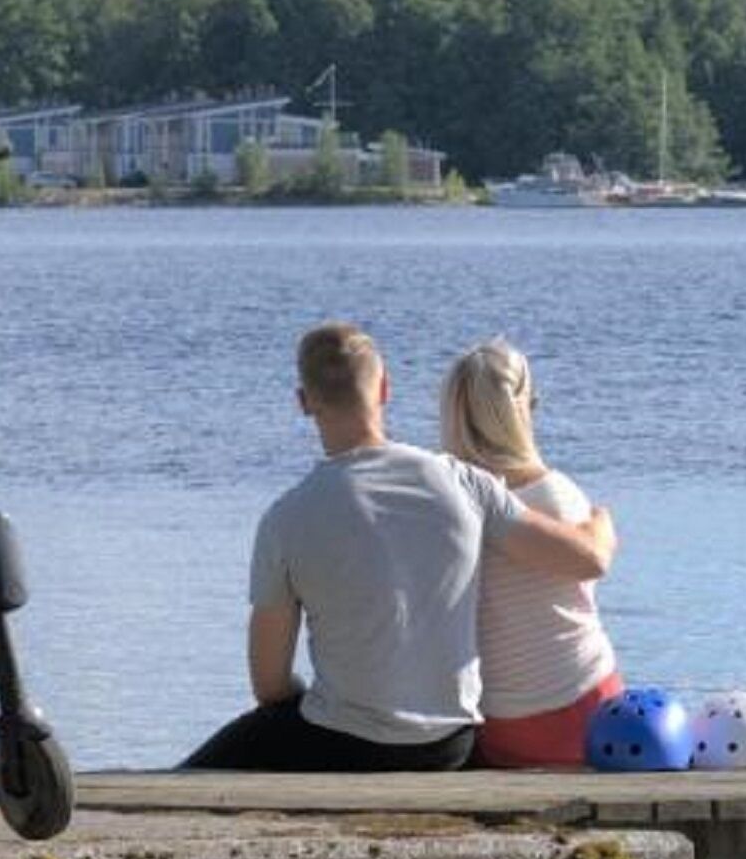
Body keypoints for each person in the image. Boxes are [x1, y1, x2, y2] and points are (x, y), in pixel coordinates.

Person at [183, 321, 615, 772]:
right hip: (450, 745)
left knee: (195, 776)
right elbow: (583, 558)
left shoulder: (285, 518)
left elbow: (269, 685)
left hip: (343, 743)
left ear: (304, 402)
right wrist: (601, 521)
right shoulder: (465, 483)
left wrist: (311, 705)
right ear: (385, 388)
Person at [442, 338, 624, 769]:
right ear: (518, 410)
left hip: (496, 726)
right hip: (585, 712)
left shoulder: (446, 501)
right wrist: (602, 521)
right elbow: (593, 561)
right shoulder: (556, 495)